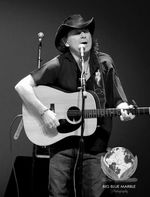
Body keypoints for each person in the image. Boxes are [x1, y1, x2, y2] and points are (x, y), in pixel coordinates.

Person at [15, 14, 135, 197]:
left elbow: (118, 98)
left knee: (94, 194)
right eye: (77, 33)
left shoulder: (104, 62)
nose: (84, 35)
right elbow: (22, 86)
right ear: (65, 41)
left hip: (96, 147)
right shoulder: (58, 64)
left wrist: (123, 108)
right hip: (62, 143)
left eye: (86, 31)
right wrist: (44, 112)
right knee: (57, 194)